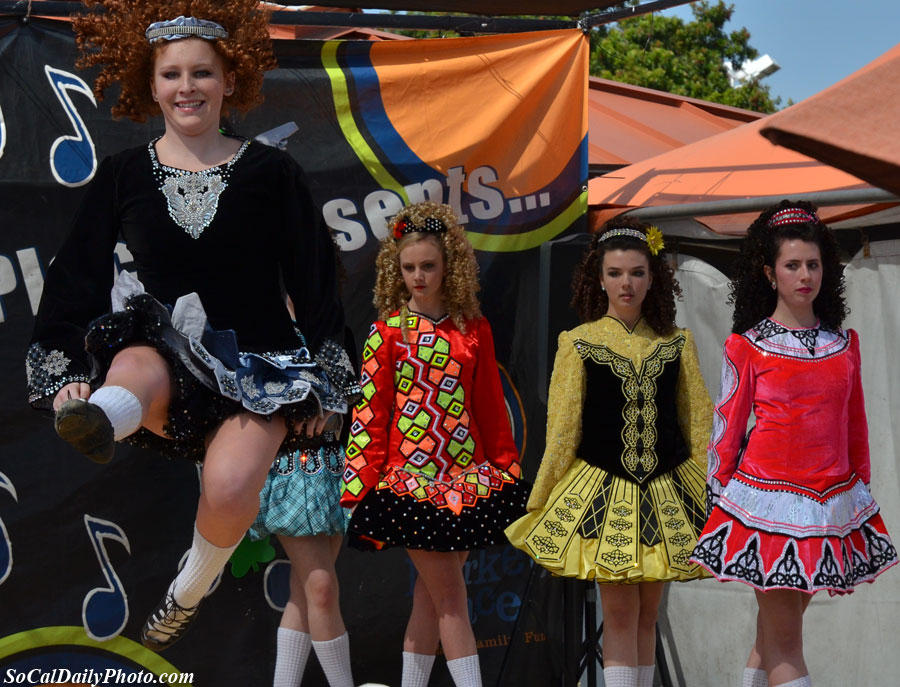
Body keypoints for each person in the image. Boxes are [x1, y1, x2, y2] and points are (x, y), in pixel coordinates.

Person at [25, 0, 359, 653]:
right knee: (138, 357)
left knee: (232, 485)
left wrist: (331, 385)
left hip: (257, 368)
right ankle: (96, 416)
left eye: (201, 73)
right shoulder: (123, 175)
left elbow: (317, 281)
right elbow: (76, 280)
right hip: (170, 351)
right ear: (151, 84)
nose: (187, 88)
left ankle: (189, 588)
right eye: (172, 74)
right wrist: (63, 375)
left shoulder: (273, 173)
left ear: (229, 81)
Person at [690, 201, 897, 687]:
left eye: (813, 264)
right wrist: (718, 496)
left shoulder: (844, 344)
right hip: (767, 505)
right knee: (787, 645)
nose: (805, 275)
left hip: (832, 505)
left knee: (775, 635)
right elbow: (728, 425)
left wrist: (859, 492)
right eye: (792, 265)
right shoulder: (749, 346)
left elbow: (855, 428)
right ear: (769, 272)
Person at [505, 217, 713, 687]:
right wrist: (542, 497)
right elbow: (561, 428)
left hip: (668, 492)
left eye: (637, 272)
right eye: (616, 273)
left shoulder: (678, 343)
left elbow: (698, 422)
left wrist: (709, 491)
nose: (627, 283)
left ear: (653, 277)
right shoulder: (578, 343)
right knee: (620, 615)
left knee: (647, 614)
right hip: (603, 492)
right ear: (598, 277)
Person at [339, 201, 528, 687]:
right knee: (450, 600)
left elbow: (489, 406)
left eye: (428, 266)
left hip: (467, 483)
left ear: (449, 267)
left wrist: (504, 466)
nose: (419, 276)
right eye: (409, 268)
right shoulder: (386, 334)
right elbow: (369, 417)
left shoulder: (474, 329)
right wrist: (361, 486)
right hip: (410, 486)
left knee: (430, 599)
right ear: (395, 272)